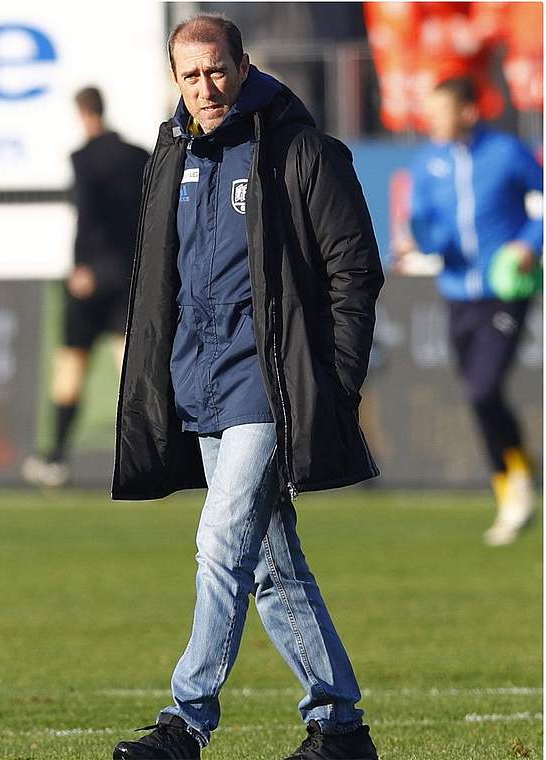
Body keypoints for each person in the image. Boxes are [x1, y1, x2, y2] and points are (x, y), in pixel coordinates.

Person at [111, 15, 382, 760]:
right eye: (190, 76)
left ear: (242, 64)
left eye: (217, 70)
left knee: (219, 545)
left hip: (269, 388)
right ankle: (340, 727)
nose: (205, 87)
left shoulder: (300, 150)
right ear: (176, 80)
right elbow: (157, 284)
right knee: (271, 567)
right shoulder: (172, 157)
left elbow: (354, 271)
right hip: (199, 388)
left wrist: (336, 382)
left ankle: (185, 721)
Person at [394, 77, 542, 546]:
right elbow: (429, 233)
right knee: (478, 395)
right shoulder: (426, 165)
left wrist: (527, 245)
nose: (433, 120)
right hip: (457, 294)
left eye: (442, 111)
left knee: (483, 388)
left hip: (506, 290)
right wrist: (418, 238)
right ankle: (514, 480)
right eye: (430, 111)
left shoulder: (506, 152)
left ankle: (515, 487)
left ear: (469, 113)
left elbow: (541, 206)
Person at [23, 86, 150, 488]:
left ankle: (54, 460)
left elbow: (87, 214)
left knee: (70, 367)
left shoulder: (83, 159)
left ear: (81, 113)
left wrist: (81, 265)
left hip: (92, 276)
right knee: (131, 370)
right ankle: (149, 457)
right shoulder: (137, 157)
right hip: (130, 273)